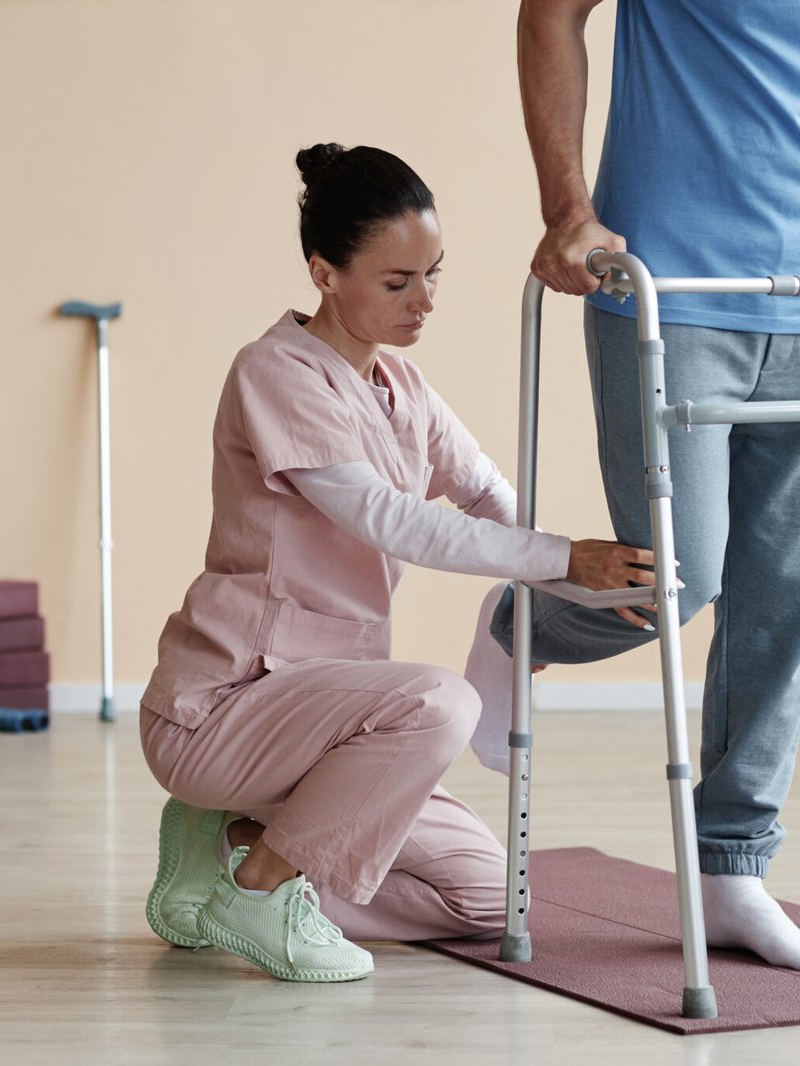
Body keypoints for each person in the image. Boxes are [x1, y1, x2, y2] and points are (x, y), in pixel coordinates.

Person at [468, 0, 800, 973]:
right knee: (675, 576)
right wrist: (567, 211)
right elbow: (551, 13)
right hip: (664, 282)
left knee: (789, 590)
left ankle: (732, 869)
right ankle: (525, 625)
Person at [138, 143, 655, 983]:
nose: (424, 303)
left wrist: (593, 584)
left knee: (494, 902)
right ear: (324, 271)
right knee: (440, 703)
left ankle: (231, 849)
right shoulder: (275, 373)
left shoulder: (405, 391)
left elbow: (491, 500)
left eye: (434, 275)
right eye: (396, 282)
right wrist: (564, 557)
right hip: (226, 707)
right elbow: (392, 521)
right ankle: (263, 892)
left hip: (335, 730)